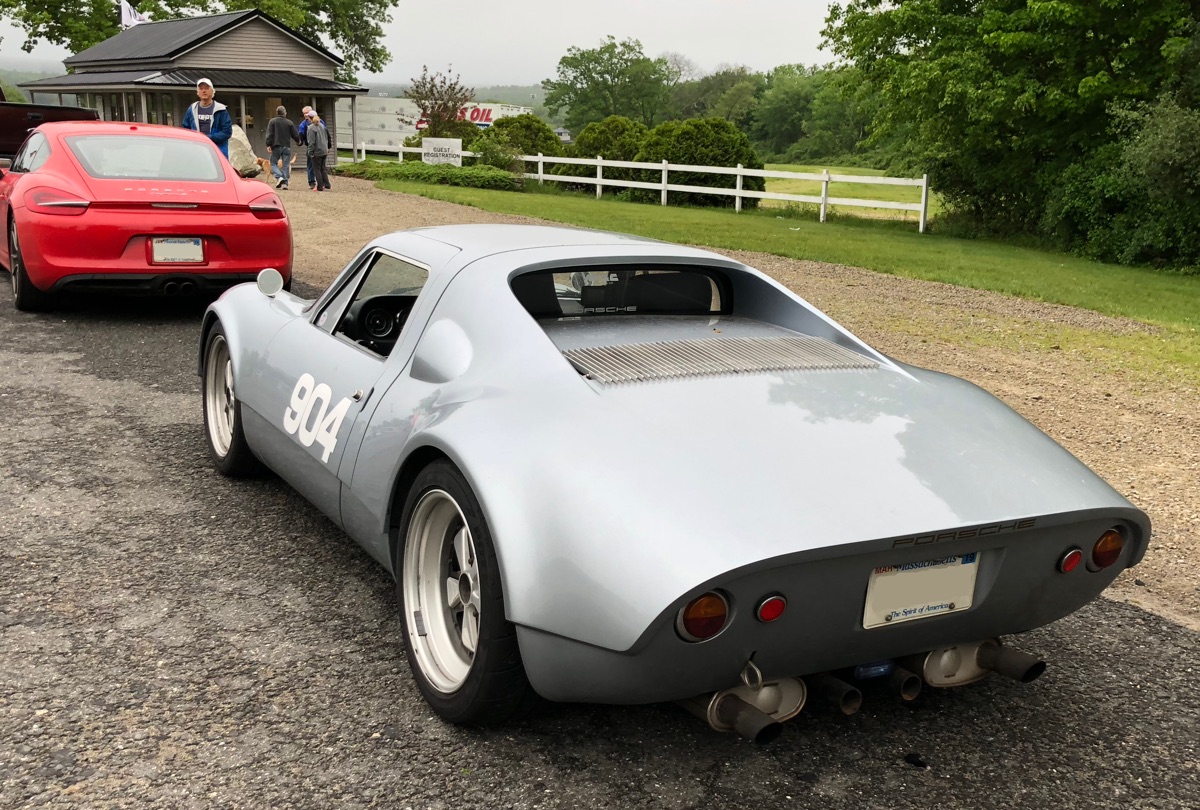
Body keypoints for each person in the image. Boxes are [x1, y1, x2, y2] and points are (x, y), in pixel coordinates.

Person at [181, 78, 233, 157]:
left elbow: (227, 132)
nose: (204, 91)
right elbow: (186, 129)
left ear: (212, 91)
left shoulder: (221, 110)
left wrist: (209, 138)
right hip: (196, 151)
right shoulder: (192, 109)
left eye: (206, 88)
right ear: (198, 92)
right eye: (201, 89)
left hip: (217, 152)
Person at [265, 105, 301, 190]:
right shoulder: (289, 122)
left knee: (273, 163)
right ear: (285, 113)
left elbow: (269, 134)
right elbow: (295, 134)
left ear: (277, 113)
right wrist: (298, 141)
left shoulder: (272, 122)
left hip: (276, 145)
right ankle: (285, 183)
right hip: (286, 146)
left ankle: (279, 177)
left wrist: (268, 144)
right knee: (286, 165)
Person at [305, 110, 331, 192]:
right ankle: (327, 184)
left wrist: (310, 152)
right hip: (324, 150)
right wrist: (328, 147)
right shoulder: (322, 126)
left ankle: (320, 186)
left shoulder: (311, 128)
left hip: (317, 151)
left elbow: (311, 142)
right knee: (323, 168)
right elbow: (328, 137)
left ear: (309, 118)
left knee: (316, 169)